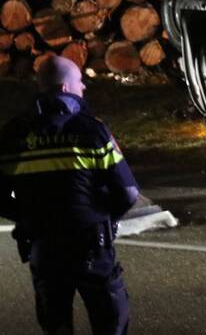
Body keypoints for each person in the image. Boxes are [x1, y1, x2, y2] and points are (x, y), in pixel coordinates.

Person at [0, 55, 138, 335]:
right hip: (91, 245)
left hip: (42, 245)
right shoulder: (92, 131)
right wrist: (101, 215)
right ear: (65, 88)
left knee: (56, 324)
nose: (84, 87)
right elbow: (128, 193)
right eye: (79, 81)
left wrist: (27, 216)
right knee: (110, 321)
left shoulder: (13, 134)